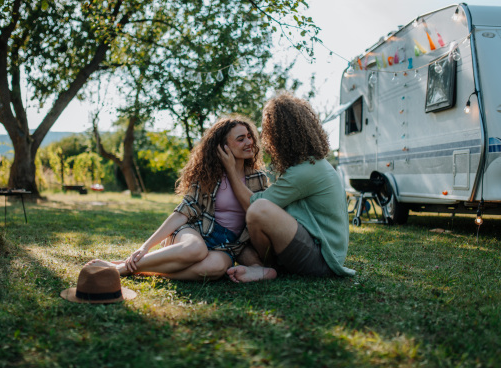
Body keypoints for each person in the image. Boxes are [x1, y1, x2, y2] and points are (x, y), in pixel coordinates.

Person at [86, 116, 269, 281]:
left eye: (249, 136)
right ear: (223, 147)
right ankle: (122, 268)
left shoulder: (258, 178)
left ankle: (138, 270)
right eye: (241, 138)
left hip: (227, 245)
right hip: (195, 232)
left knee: (216, 268)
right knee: (196, 249)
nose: (249, 142)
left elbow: (260, 212)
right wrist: (145, 247)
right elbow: (183, 212)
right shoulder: (209, 176)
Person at [218, 93, 356, 282]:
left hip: (322, 260)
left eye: (268, 132)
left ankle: (267, 268)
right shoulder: (311, 164)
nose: (266, 138)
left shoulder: (306, 171)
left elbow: (254, 205)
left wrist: (231, 171)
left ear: (281, 134)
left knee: (259, 210)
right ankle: (257, 264)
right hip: (320, 251)